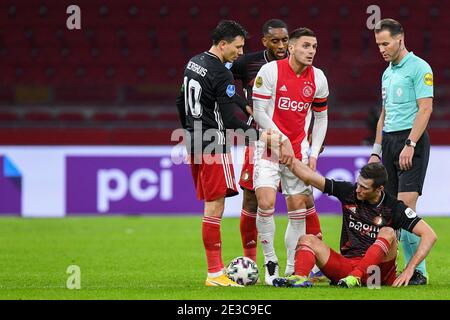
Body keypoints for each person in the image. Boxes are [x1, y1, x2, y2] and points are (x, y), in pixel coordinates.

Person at [260, 130, 437, 287]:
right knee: (307, 239)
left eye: (364, 188)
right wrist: (285, 154)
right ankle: (299, 278)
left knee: (389, 232)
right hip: (345, 269)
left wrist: (409, 269)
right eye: (358, 184)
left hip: (377, 275)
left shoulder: (394, 207)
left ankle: (356, 277)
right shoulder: (349, 192)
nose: (358, 190)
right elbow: (310, 177)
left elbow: (430, 235)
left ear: (379, 189)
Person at [231, 20, 324, 280]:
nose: (281, 45)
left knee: (302, 202)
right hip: (264, 142)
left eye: (285, 40)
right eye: (276, 41)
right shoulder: (254, 65)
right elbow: (222, 81)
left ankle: (301, 264)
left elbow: (320, 116)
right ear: (265, 41)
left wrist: (313, 149)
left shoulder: (316, 77)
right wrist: (243, 103)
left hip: (296, 148)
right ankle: (260, 263)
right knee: (258, 200)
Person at [175, 20, 259, 287]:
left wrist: (188, 130)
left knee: (210, 206)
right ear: (223, 44)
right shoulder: (220, 71)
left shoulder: (194, 62)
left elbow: (180, 101)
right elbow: (230, 120)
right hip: (213, 142)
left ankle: (215, 272)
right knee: (215, 207)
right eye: (238, 46)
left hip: (193, 140)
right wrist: (259, 136)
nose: (240, 52)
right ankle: (215, 274)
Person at [369, 19, 434, 285]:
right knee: (392, 212)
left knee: (405, 209)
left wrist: (411, 143)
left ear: (400, 38)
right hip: (389, 144)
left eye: (385, 43)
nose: (382, 49)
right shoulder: (387, 72)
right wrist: (376, 150)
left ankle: (419, 272)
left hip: (411, 142)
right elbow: (383, 114)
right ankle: (391, 270)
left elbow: (425, 108)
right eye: (378, 45)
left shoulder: (419, 68)